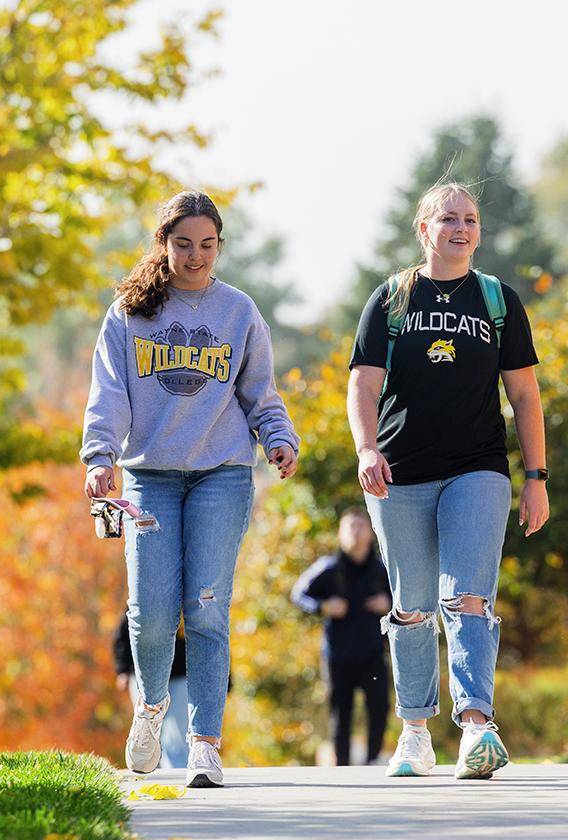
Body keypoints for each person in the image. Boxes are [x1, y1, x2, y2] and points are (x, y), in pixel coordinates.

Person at [82, 190, 300, 789]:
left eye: (207, 245)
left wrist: (279, 439)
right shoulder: (130, 313)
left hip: (222, 474)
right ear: (163, 244)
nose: (195, 256)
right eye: (183, 244)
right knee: (150, 613)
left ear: (220, 247)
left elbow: (261, 393)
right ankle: (151, 710)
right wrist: (99, 456)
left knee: (206, 608)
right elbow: (109, 393)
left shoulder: (238, 311)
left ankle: (205, 743)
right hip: (147, 477)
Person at [346, 181, 549, 780]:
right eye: (449, 219)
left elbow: (525, 396)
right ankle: (413, 732)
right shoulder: (391, 299)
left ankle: (477, 727)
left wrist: (536, 477)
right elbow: (361, 383)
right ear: (424, 229)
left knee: (468, 596)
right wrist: (365, 448)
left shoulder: (498, 301)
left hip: (478, 467)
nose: (462, 229)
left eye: (471, 220)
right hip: (398, 472)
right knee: (411, 608)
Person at [291, 507, 392, 766]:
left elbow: (406, 598)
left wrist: (389, 603)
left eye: (361, 526)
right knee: (340, 713)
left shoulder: (384, 569)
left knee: (379, 708)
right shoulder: (328, 567)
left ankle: (373, 761)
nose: (356, 533)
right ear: (340, 534)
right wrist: (324, 606)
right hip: (338, 654)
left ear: (371, 533)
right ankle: (343, 767)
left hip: (373, 652)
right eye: (350, 527)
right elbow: (299, 594)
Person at [112, 615, 190, 769]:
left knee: (176, 732)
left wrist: (224, 681)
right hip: (145, 677)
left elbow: (210, 638)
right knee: (148, 726)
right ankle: (147, 767)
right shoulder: (150, 597)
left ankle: (175, 771)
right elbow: (123, 635)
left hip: (181, 676)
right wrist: (122, 670)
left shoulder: (190, 603)